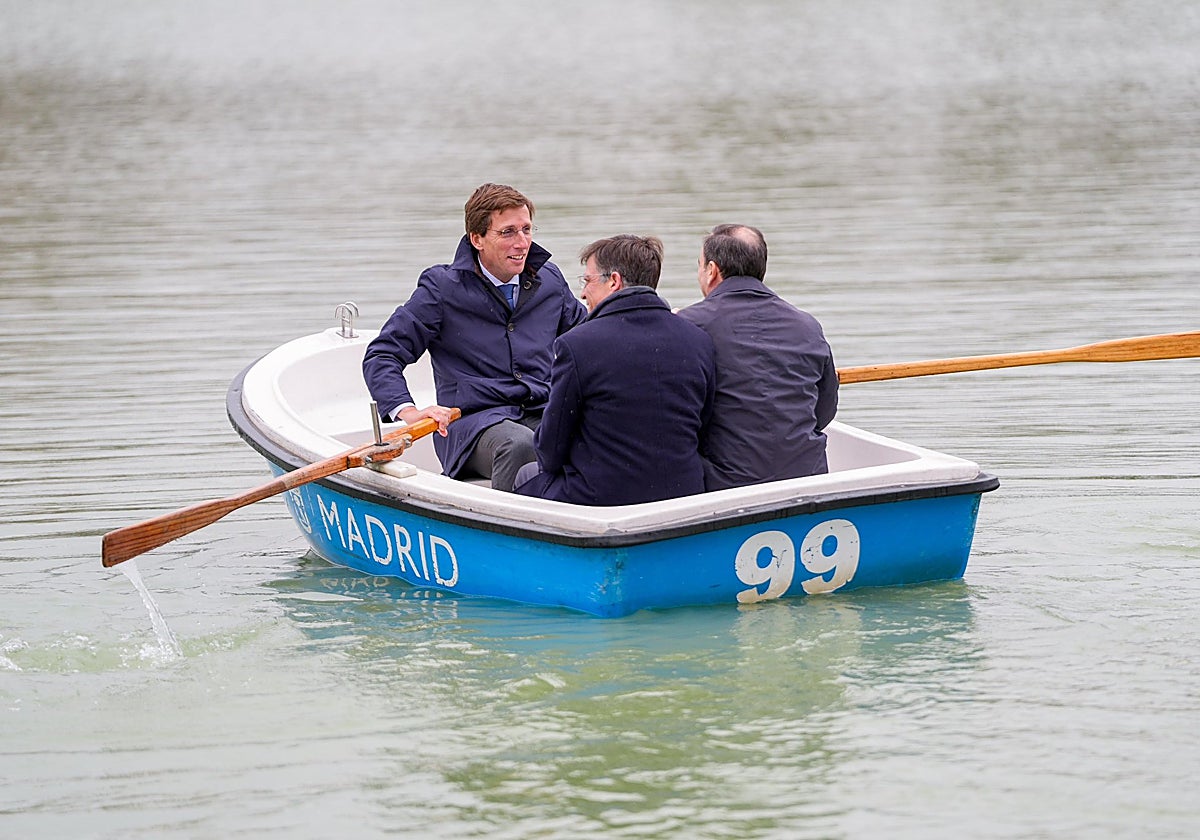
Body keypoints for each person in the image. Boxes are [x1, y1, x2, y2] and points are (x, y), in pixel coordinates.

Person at [362, 183, 587, 491]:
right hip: (471, 425)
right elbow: (383, 354)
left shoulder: (550, 281)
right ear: (477, 238)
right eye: (508, 232)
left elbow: (587, 341)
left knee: (600, 431)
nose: (522, 243)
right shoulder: (441, 289)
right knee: (521, 445)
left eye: (527, 229)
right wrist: (409, 412)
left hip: (543, 412)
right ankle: (509, 532)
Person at [514, 235, 716, 505]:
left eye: (587, 281)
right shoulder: (698, 340)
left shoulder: (577, 345)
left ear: (614, 281)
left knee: (525, 475)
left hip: (602, 499)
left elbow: (550, 451)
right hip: (684, 493)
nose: (583, 293)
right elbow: (704, 427)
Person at [676, 224, 838, 490]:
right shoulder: (807, 325)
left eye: (699, 265)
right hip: (808, 474)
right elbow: (824, 409)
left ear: (712, 270)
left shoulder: (688, 325)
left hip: (727, 482)